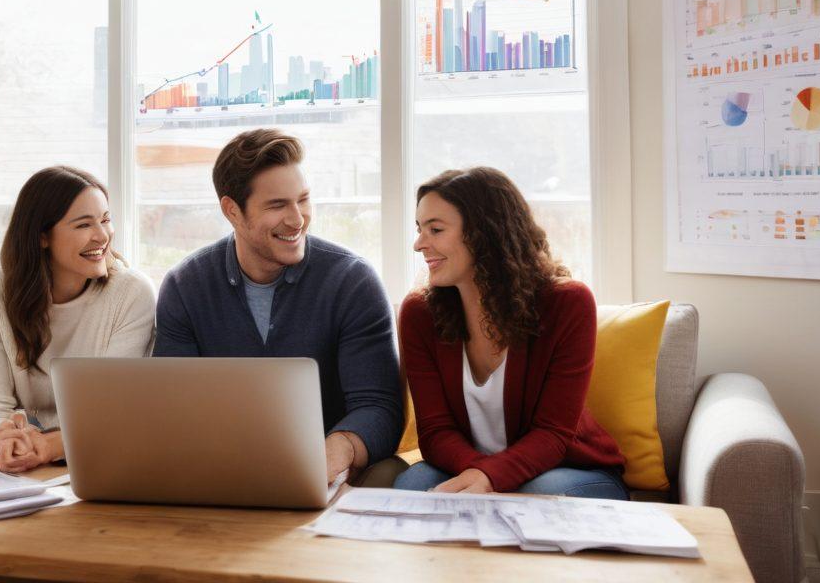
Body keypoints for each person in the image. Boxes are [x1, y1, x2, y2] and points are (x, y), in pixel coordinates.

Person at [153, 128, 403, 483]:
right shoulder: (184, 286)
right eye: (277, 205)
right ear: (232, 211)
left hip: (329, 476)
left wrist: (335, 451)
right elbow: (174, 408)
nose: (297, 218)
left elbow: (379, 409)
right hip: (219, 473)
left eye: (302, 199)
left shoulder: (353, 281)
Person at [393, 167, 627, 498]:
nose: (419, 244)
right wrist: (480, 473)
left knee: (540, 493)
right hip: (467, 464)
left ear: (483, 232)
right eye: (419, 229)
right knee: (411, 487)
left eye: (435, 229)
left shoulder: (568, 303)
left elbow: (553, 434)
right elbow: (435, 430)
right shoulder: (418, 314)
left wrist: (490, 479)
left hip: (566, 468)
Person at [0, 166, 156, 472]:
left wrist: (48, 446)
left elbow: (113, 411)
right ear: (41, 236)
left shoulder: (132, 294)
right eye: (83, 225)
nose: (102, 236)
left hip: (91, 437)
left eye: (105, 220)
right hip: (16, 430)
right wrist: (5, 440)